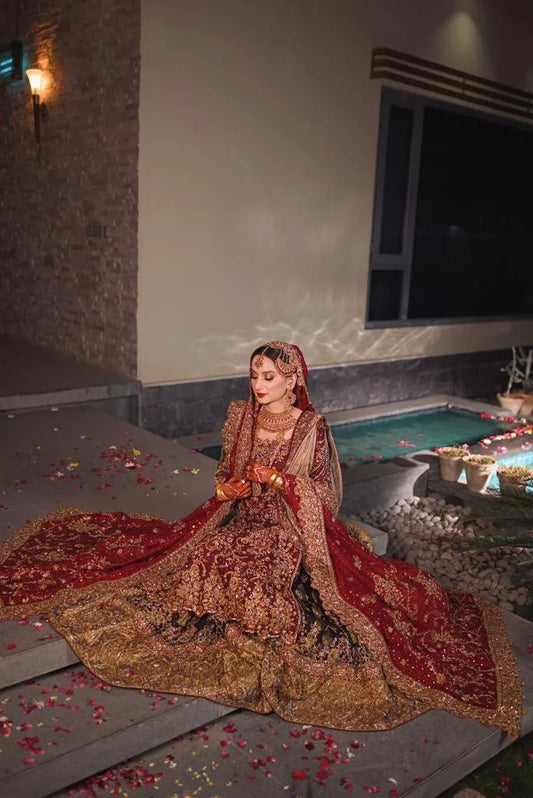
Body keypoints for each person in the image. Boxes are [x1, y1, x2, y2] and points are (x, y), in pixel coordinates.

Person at [0, 342, 523, 736]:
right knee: (203, 555)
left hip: (289, 524)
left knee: (258, 571)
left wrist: (281, 482)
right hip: (240, 513)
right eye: (253, 375)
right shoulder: (240, 418)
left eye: (267, 376)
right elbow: (225, 473)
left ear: (292, 380)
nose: (257, 384)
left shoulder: (309, 427)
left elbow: (324, 492)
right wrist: (229, 486)